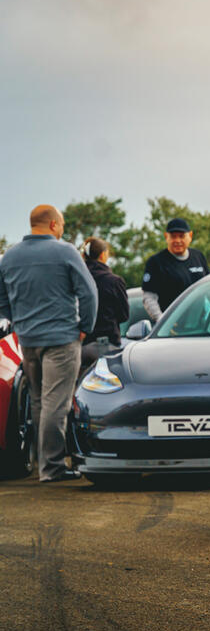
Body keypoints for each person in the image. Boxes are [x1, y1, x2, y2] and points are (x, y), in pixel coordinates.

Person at [0, 205, 97, 482]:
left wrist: (15, 322)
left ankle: (43, 463)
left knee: (40, 401)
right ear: (54, 225)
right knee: (57, 403)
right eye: (62, 224)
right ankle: (52, 468)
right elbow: (88, 292)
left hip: (27, 341)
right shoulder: (65, 251)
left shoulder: (9, 257)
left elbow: (1, 298)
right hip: (61, 339)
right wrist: (84, 328)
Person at [142, 217, 209, 321]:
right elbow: (149, 298)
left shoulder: (198, 257)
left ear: (190, 235)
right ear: (166, 237)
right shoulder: (156, 262)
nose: (177, 241)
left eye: (182, 236)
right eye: (173, 237)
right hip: (172, 327)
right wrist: (162, 321)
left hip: (201, 324)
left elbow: (209, 291)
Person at [81, 237, 129, 372]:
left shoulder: (77, 279)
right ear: (103, 254)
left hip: (81, 346)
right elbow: (124, 315)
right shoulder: (114, 281)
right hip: (107, 345)